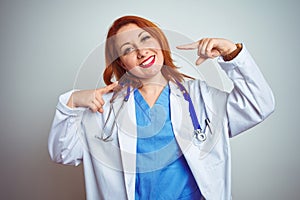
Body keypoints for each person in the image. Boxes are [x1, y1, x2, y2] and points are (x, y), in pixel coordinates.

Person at [48, 15, 275, 200]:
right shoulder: (104, 108)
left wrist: (232, 53)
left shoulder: (198, 96)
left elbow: (259, 105)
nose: (141, 51)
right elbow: (63, 153)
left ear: (159, 43)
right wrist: (72, 102)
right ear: (120, 62)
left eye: (145, 39)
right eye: (127, 49)